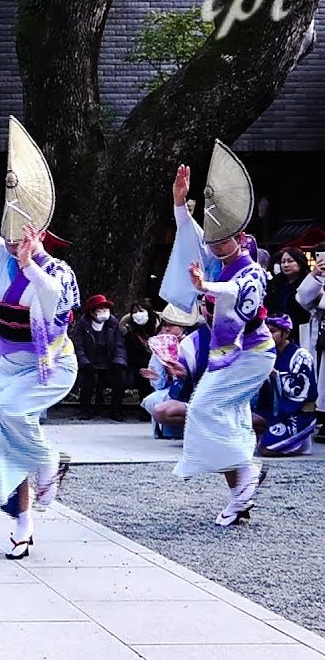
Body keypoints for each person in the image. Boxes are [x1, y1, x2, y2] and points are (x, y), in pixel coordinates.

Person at [0, 142, 80, 559]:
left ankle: (48, 460)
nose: (8, 245)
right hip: (8, 366)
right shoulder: (3, 257)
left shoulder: (58, 270)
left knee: (9, 415)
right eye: (5, 239)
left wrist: (29, 266)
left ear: (38, 231)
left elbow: (55, 297)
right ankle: (22, 524)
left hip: (50, 366)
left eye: (16, 238)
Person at [161, 159, 273, 526]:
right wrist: (180, 202)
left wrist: (204, 287)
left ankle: (246, 476)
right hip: (227, 355)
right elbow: (190, 235)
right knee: (228, 417)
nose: (216, 245)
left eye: (224, 239)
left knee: (205, 408)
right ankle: (241, 490)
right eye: (214, 239)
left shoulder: (251, 269)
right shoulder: (210, 256)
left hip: (252, 353)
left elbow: (237, 292)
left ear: (240, 237)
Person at [252, 314, 318, 456]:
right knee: (246, 417)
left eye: (273, 332)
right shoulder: (269, 354)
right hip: (276, 412)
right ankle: (270, 431)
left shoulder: (301, 356)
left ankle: (294, 443)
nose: (268, 336)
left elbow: (301, 391)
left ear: (286, 333)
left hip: (299, 415)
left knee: (266, 449)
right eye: (266, 332)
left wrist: (275, 374)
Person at [140, 303, 207, 438]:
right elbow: (160, 383)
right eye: (165, 325)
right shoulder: (160, 345)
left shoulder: (195, 341)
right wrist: (156, 376)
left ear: (182, 327)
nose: (167, 329)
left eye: (171, 325)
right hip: (175, 390)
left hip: (201, 391)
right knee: (153, 401)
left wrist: (186, 375)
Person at [72, 294, 128, 420]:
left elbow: (120, 346)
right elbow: (78, 346)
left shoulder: (113, 324)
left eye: (105, 309)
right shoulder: (83, 325)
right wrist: (85, 362)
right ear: (92, 312)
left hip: (109, 363)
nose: (104, 312)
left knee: (121, 377)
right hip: (90, 363)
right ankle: (84, 410)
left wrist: (118, 361)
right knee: (89, 378)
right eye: (100, 309)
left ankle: (115, 411)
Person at [297, 242, 325, 439]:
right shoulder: (317, 275)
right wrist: (315, 276)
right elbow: (303, 298)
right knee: (319, 374)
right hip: (319, 329)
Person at [121, 299, 160, 406]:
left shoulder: (159, 329)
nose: (138, 314)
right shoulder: (131, 334)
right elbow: (133, 355)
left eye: (141, 311)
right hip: (141, 365)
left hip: (161, 363)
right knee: (143, 376)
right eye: (134, 312)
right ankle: (145, 408)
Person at [267, 247, 311, 333]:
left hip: (300, 330)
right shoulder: (275, 284)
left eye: (290, 261)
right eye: (283, 262)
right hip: (277, 330)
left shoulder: (308, 284)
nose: (286, 265)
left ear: (300, 262)